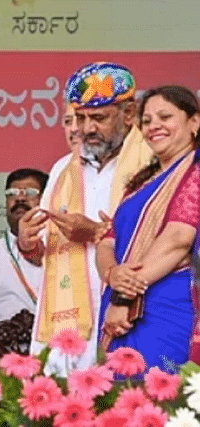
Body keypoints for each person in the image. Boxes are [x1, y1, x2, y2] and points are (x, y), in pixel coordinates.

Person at [19, 62, 153, 375]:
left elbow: (168, 242)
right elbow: (42, 253)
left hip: (126, 312)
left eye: (99, 118)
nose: (87, 128)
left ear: (129, 114)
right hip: (64, 325)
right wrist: (28, 244)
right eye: (80, 118)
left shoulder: (151, 166)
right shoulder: (63, 170)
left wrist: (94, 232)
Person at [97, 85, 200, 373]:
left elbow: (178, 240)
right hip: (118, 311)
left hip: (164, 309)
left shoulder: (195, 172)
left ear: (194, 122)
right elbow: (107, 241)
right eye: (147, 120)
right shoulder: (139, 183)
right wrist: (112, 273)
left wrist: (123, 297)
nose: (154, 126)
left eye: (165, 117)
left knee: (155, 403)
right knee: (116, 408)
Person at [0, 169, 48, 332]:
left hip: (54, 347)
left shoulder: (63, 251)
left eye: (30, 192)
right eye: (12, 193)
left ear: (47, 198)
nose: (19, 198)